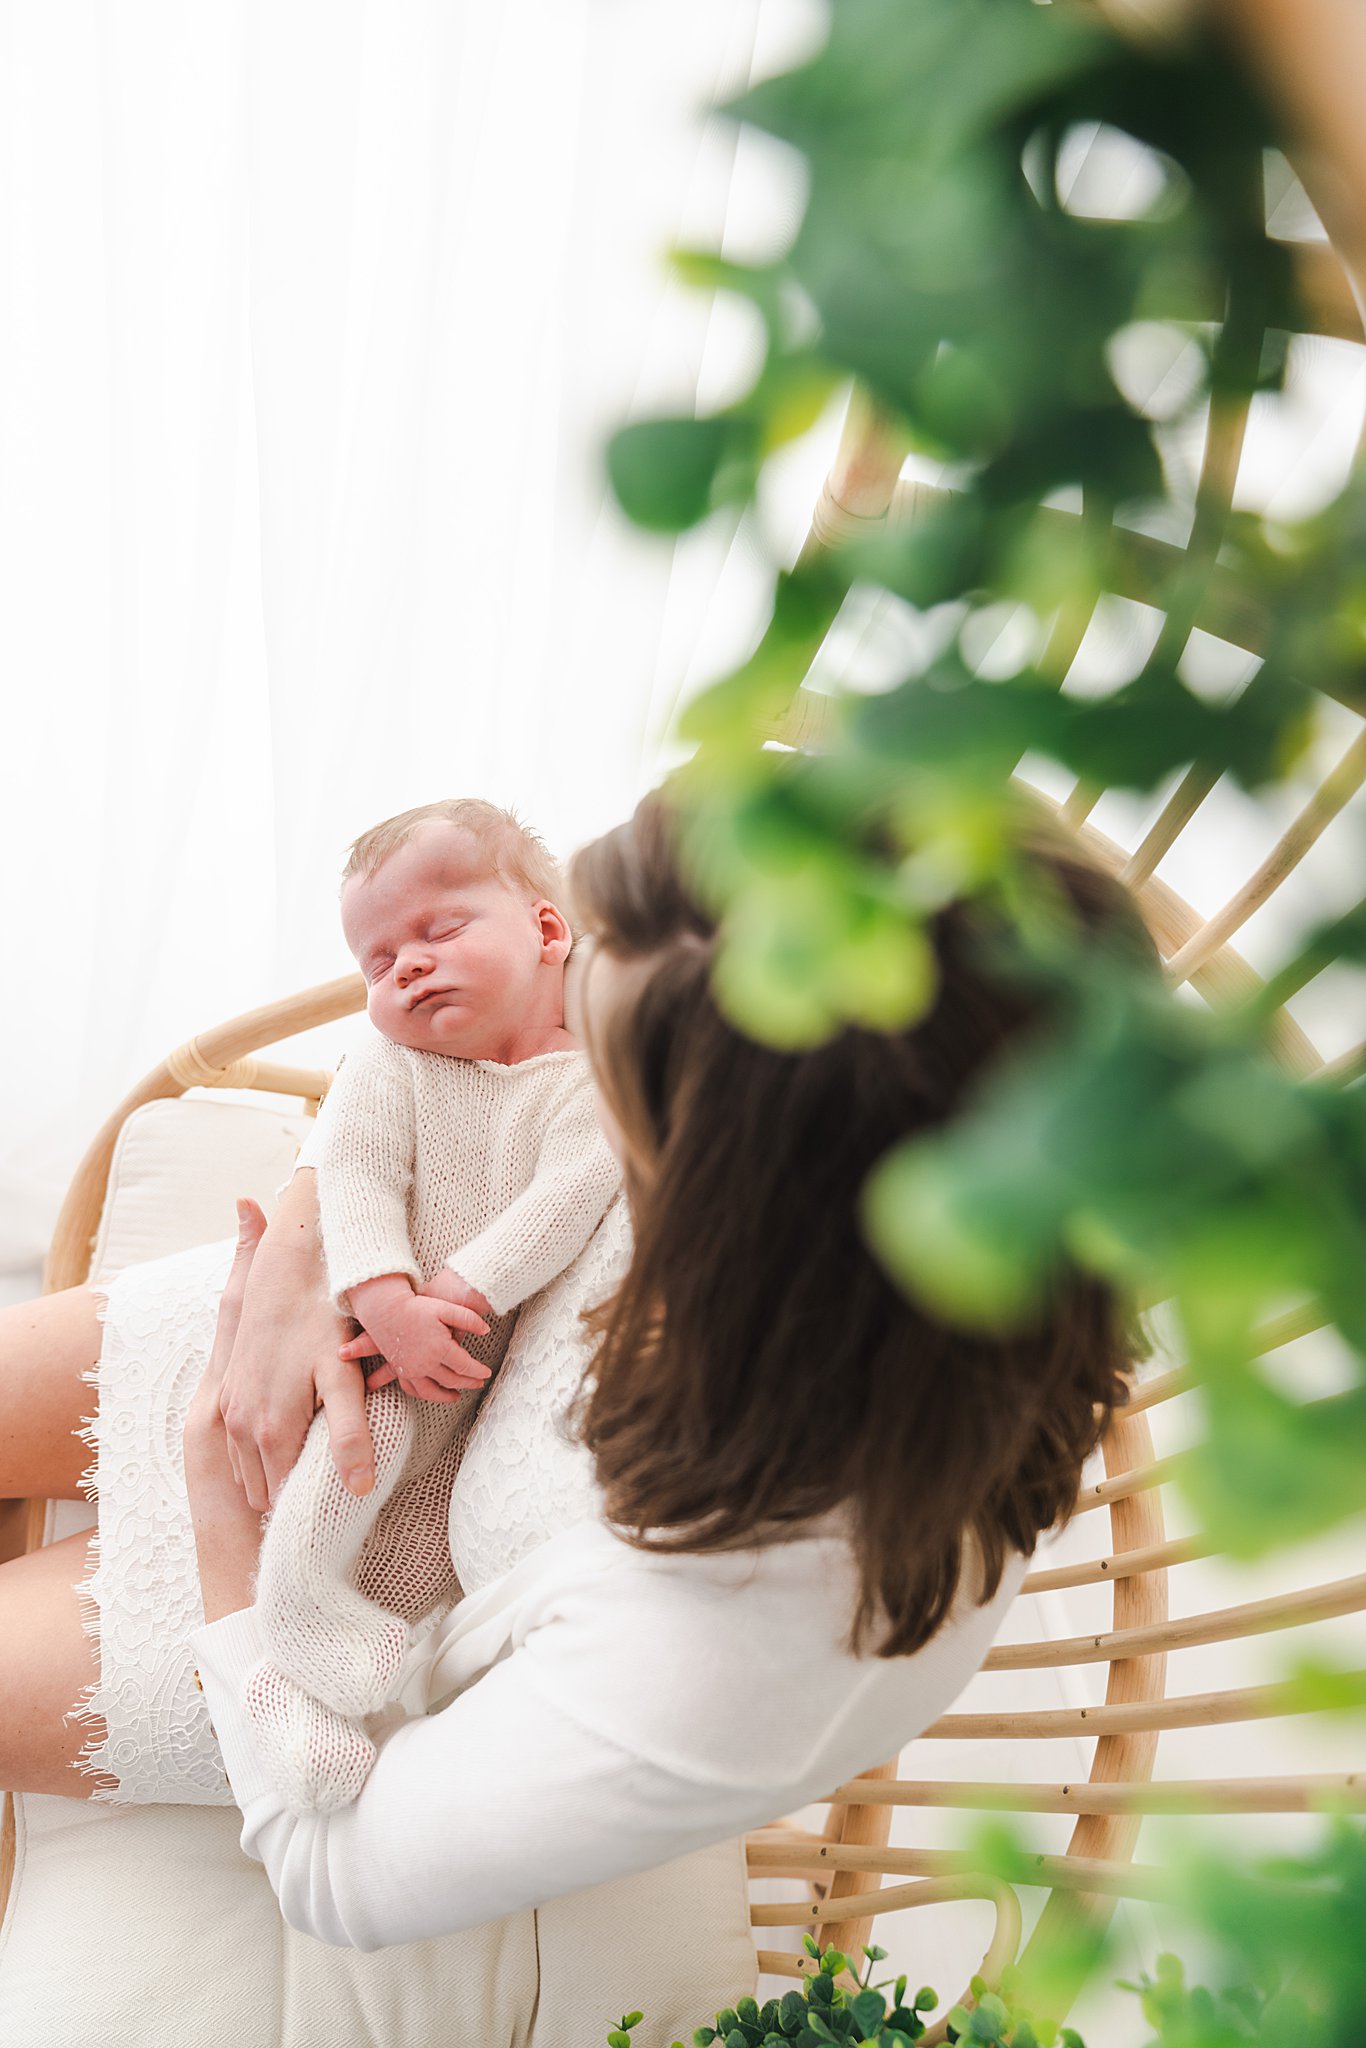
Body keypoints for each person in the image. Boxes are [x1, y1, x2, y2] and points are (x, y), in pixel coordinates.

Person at [0, 785, 1142, 1956]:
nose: (568, 1029)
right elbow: (435, 1034)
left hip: (348, 1617)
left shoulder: (739, 1641)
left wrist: (222, 1531)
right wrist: (309, 1250)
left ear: (735, 1203)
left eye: (610, 1069)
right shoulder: (718, 1011)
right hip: (327, 1331)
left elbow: (340, 1876)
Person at [240, 796, 621, 1814]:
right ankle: (283, 1656)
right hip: (384, 1349)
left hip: (480, 1374)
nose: (404, 964)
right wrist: (391, 1295)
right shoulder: (395, 1067)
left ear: (547, 930)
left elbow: (571, 1193)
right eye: (376, 959)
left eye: (439, 930)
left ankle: (335, 1694)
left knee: (423, 1541)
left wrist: (467, 1289)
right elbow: (355, 1177)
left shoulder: (589, 1081)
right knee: (336, 1488)